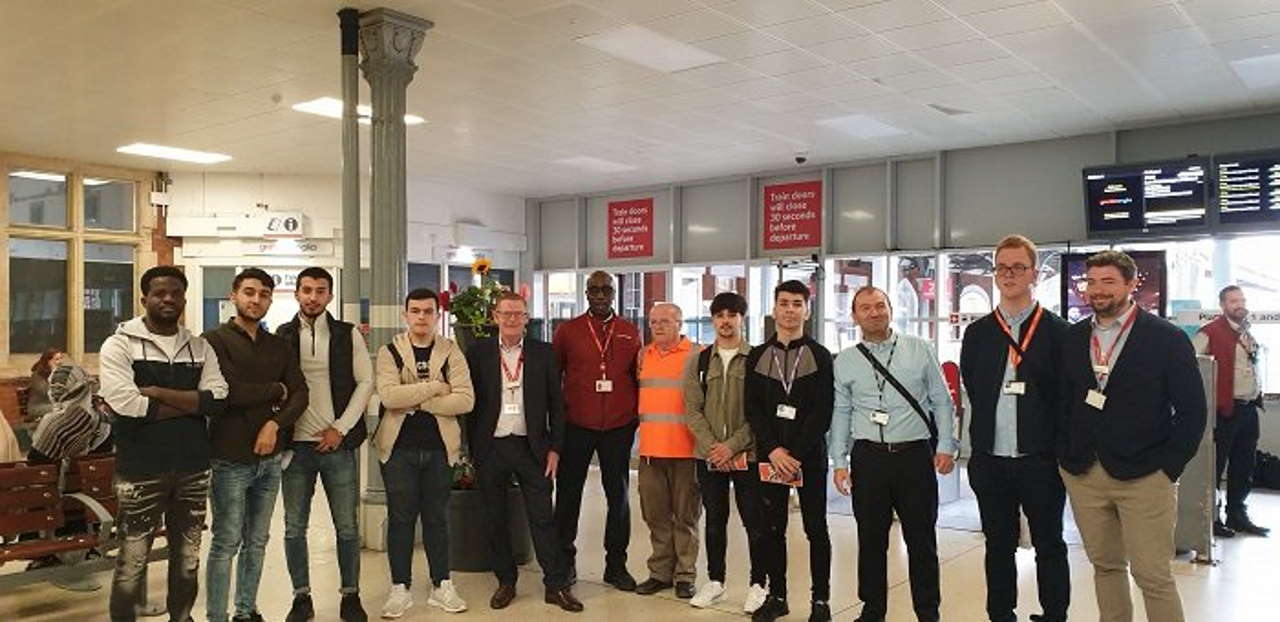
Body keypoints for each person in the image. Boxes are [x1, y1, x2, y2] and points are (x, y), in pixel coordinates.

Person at [1059, 250, 1206, 622]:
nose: (1097, 290)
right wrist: (1066, 456)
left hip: (1145, 477)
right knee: (1105, 567)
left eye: (1108, 281)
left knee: (1152, 575)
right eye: (1091, 282)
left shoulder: (1166, 338)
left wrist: (1167, 469)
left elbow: (1192, 412)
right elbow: (1062, 402)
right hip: (1086, 475)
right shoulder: (1074, 337)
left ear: (1130, 284)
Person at [98, 265, 228, 622]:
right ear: (144, 299)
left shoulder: (199, 347)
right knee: (131, 562)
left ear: (184, 298)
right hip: (140, 472)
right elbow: (125, 405)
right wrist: (191, 404)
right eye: (159, 293)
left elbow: (217, 399)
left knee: (187, 559)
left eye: (175, 293)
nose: (168, 299)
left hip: (193, 469)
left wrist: (156, 393)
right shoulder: (119, 345)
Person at [959, 235, 1070, 622]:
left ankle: (1055, 614)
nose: (1008, 275)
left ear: (1034, 274)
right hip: (991, 458)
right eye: (1001, 268)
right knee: (997, 544)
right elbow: (974, 387)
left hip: (1040, 459)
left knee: (1050, 545)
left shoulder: (1060, 332)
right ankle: (1000, 614)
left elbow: (1066, 397)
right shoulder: (978, 334)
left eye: (1018, 267)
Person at [830, 286, 957, 622]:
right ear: (854, 315)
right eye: (865, 308)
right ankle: (872, 610)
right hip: (868, 458)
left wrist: (947, 445)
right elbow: (841, 412)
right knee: (871, 540)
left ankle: (928, 612)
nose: (874, 312)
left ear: (890, 309)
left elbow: (942, 401)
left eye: (880, 305)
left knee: (922, 540)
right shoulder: (845, 360)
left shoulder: (919, 349)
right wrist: (839, 462)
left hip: (914, 457)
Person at [465, 291, 583, 613]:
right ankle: (506, 581)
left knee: (543, 517)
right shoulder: (477, 354)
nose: (512, 319)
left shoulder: (544, 354)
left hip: (532, 448)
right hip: (492, 447)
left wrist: (555, 449)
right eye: (506, 314)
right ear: (495, 317)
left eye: (518, 314)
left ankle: (555, 585)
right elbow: (469, 405)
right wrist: (472, 449)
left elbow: (558, 408)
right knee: (495, 518)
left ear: (527, 318)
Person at [202, 267, 309, 622]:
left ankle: (245, 610)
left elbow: (301, 394)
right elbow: (226, 392)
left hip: (270, 460)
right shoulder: (213, 341)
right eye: (249, 292)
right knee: (225, 542)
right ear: (233, 296)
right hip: (229, 457)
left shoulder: (277, 345)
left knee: (257, 541)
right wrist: (275, 390)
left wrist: (274, 423)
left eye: (264, 294)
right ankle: (217, 615)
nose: (256, 299)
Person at [273, 267, 375, 621]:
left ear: (330, 295)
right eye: (306, 290)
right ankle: (301, 597)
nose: (313, 296)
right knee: (293, 527)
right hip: (295, 448)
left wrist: (340, 429)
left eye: (320, 290)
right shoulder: (282, 335)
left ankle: (351, 595)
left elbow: (366, 383)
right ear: (297, 293)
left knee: (346, 526)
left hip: (338, 446)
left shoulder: (348, 335)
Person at [374, 288, 475, 619]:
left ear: (437, 315)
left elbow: (465, 400)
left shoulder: (452, 352)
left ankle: (441, 584)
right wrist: (434, 388)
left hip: (439, 450)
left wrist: (416, 401)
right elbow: (389, 397)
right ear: (405, 315)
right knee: (401, 520)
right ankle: (399, 588)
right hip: (399, 450)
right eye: (415, 311)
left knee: (437, 519)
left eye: (427, 311)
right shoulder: (390, 351)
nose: (421, 317)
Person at [746, 280, 833, 622]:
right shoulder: (758, 355)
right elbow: (752, 409)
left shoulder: (820, 356)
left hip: (808, 457)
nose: (790, 310)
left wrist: (794, 453)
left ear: (807, 311)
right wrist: (775, 451)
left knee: (816, 529)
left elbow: (822, 411)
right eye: (784, 303)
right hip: (771, 459)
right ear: (774, 309)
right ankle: (777, 595)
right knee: (772, 529)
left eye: (798, 304)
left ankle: (821, 602)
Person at [552, 270, 641, 591]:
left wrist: (634, 419)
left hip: (618, 426)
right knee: (568, 495)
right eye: (594, 290)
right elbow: (554, 378)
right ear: (586, 293)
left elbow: (638, 379)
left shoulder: (630, 332)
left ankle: (616, 566)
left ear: (614, 293)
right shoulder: (568, 331)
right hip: (576, 425)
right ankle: (564, 562)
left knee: (618, 497)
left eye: (606, 289)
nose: (600, 295)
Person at [683, 292, 768, 613]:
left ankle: (759, 584)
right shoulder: (700, 361)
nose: (726, 321)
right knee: (715, 520)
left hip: (747, 455)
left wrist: (732, 446)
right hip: (710, 457)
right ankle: (715, 581)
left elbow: (761, 413)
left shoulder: (758, 359)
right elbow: (692, 410)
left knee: (754, 521)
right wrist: (713, 449)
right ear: (713, 320)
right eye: (719, 315)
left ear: (741, 319)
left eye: (732, 315)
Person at [634, 302, 700, 599]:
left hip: (686, 452)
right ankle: (660, 573)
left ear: (680, 324)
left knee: (685, 517)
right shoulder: (643, 355)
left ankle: (685, 575)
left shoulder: (697, 354)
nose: (658, 327)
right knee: (656, 516)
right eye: (653, 322)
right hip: (650, 452)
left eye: (664, 321)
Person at [1193, 285, 1270, 537]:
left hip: (1249, 409)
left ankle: (1237, 513)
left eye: (1243, 299)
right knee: (1214, 467)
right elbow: (1193, 367)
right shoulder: (1210, 332)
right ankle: (1210, 519)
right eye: (1234, 300)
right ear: (1223, 305)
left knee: (1244, 464)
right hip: (1224, 410)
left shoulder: (1247, 333)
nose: (1240, 304)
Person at [27, 360, 112, 463]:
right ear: (85, 389)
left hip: (57, 478)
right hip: (92, 477)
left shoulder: (52, 424)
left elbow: (35, 462)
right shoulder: (103, 422)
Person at [19, 348, 65, 452]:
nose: (60, 362)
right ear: (48, 361)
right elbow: (46, 392)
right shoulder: (37, 375)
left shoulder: (61, 373)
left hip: (53, 405)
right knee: (61, 409)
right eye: (56, 359)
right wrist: (54, 375)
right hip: (38, 406)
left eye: (61, 359)